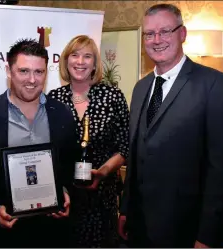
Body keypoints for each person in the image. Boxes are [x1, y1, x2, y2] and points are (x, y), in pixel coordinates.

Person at [118, 3, 223, 248]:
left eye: (165, 31)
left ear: (182, 33)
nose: (156, 40)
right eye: (150, 34)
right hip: (139, 228)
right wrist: (125, 209)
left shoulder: (215, 85)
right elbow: (136, 155)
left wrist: (208, 236)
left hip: (187, 231)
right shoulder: (141, 88)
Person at [0, 38, 78, 248]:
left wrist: (67, 192)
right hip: (4, 233)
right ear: (8, 71)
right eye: (24, 71)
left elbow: (71, 164)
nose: (32, 80)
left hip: (52, 230)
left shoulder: (62, 114)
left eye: (39, 72)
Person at [48, 35, 130, 247]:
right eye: (74, 55)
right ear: (66, 60)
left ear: (95, 64)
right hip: (64, 198)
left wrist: (103, 171)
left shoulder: (113, 96)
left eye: (87, 56)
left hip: (102, 197)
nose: (80, 61)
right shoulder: (54, 99)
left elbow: (125, 146)